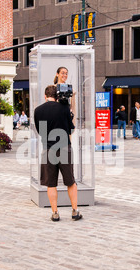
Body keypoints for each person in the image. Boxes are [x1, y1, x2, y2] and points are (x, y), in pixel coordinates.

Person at [33, 85, 82, 222]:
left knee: (51, 183)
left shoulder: (38, 110)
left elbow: (41, 131)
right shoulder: (64, 108)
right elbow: (70, 129)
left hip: (48, 149)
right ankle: (74, 211)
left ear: (45, 96)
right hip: (64, 147)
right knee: (70, 181)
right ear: (57, 96)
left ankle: (55, 212)